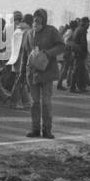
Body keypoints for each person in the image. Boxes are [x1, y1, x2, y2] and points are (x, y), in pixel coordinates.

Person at [21, 8, 65, 138]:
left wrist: (48, 53)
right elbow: (25, 53)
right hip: (32, 73)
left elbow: (61, 46)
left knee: (46, 102)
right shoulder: (28, 34)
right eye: (35, 20)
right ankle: (35, 129)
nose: (36, 23)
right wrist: (22, 73)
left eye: (39, 20)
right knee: (34, 102)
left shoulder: (52, 31)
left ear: (44, 20)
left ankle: (47, 130)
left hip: (47, 73)